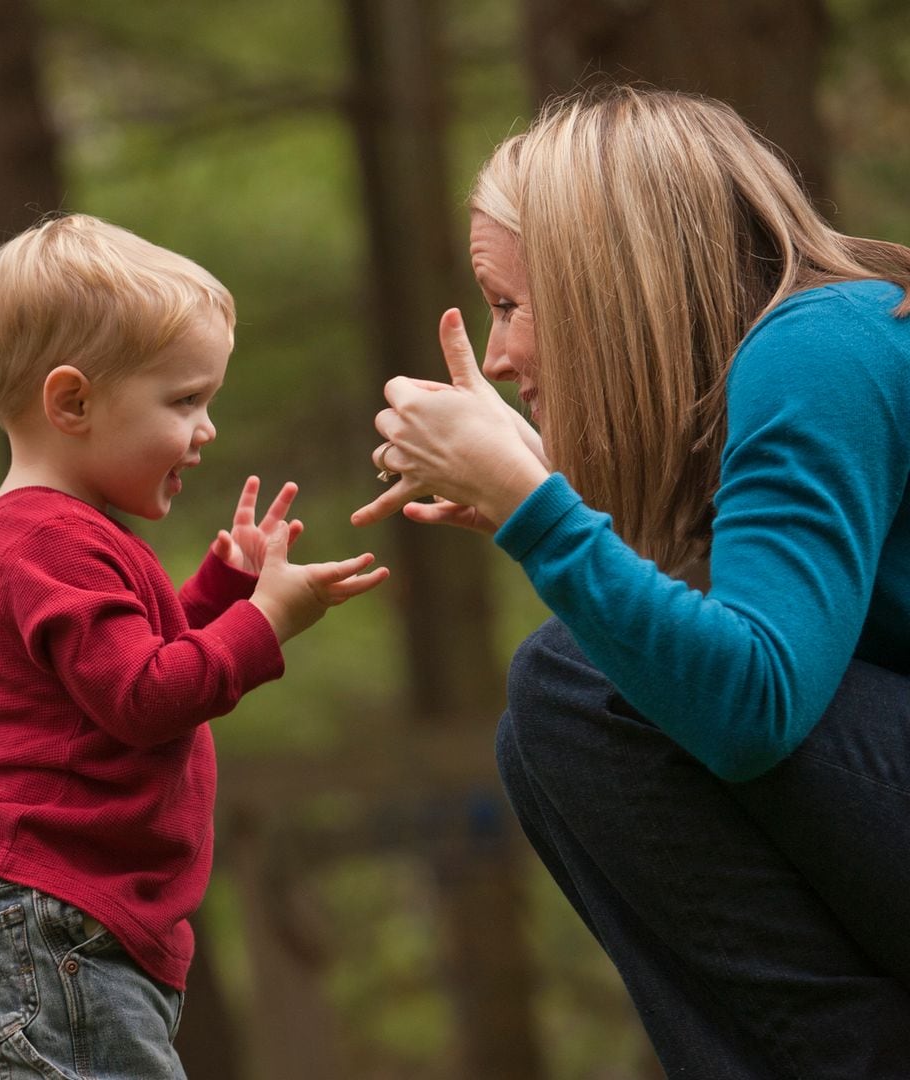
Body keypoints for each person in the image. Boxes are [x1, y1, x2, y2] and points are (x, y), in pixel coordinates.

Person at [353, 86, 910, 1075]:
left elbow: (753, 705)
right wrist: (548, 502)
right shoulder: (813, 348)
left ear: (605, 279)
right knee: (564, 711)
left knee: (577, 688)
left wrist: (540, 512)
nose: (499, 352)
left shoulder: (818, 347)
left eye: (511, 304)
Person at [0, 213, 389, 1079]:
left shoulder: (61, 534)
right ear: (73, 403)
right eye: (184, 402)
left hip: (64, 920)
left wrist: (221, 592)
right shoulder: (46, 539)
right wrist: (266, 625)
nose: (206, 429)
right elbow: (143, 697)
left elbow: (103, 678)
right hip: (48, 918)